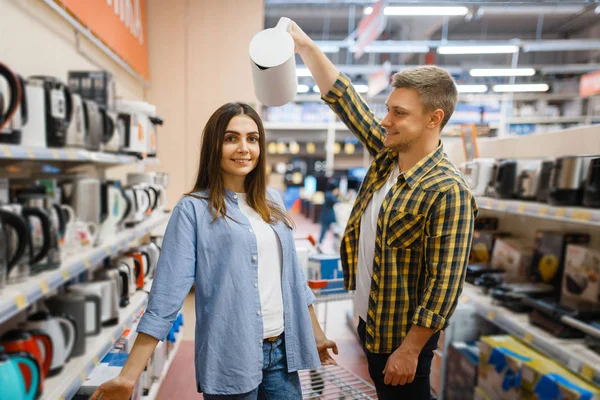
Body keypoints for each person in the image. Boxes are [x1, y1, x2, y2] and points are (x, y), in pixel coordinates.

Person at [90, 103, 338, 400]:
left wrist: (317, 334)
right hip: (230, 356)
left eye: (252, 138)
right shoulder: (192, 209)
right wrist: (129, 376)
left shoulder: (272, 201)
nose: (244, 148)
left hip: (282, 355)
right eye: (231, 138)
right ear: (214, 146)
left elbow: (293, 278)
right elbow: (167, 296)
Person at [289, 23, 478, 399]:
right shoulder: (389, 156)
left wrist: (410, 349)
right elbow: (345, 100)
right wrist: (305, 46)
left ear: (433, 119)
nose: (385, 120)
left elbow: (445, 285)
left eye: (398, 113)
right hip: (370, 322)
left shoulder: (447, 191)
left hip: (400, 339)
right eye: (388, 110)